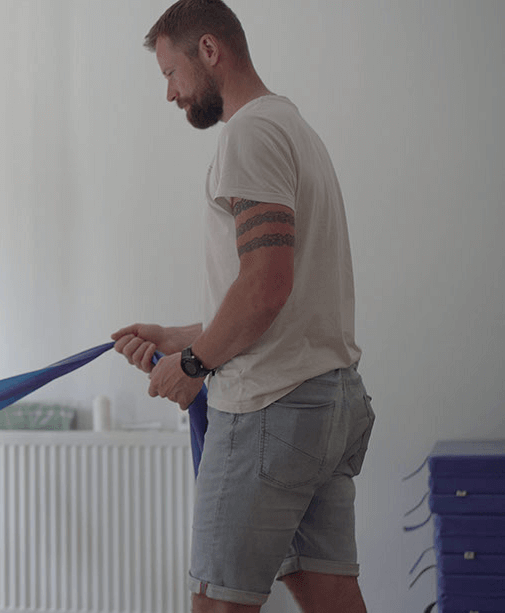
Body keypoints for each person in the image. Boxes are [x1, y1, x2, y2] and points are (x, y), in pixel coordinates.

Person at [111, 1, 374, 612]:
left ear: (209, 50)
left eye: (171, 73)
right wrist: (179, 336)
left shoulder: (248, 133)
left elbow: (265, 285)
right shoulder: (295, 129)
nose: (170, 93)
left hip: (270, 412)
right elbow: (285, 301)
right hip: (327, 404)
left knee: (218, 605)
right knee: (332, 597)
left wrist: (193, 365)